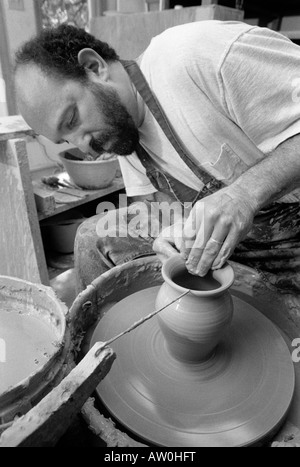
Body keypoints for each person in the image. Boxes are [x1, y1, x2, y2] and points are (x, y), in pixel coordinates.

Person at [14, 20, 300, 295]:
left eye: (72, 119)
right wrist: (173, 230)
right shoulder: (121, 130)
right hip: (233, 243)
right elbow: (160, 205)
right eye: (64, 140)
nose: (84, 147)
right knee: (95, 237)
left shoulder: (196, 56)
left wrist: (243, 195)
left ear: (94, 67)